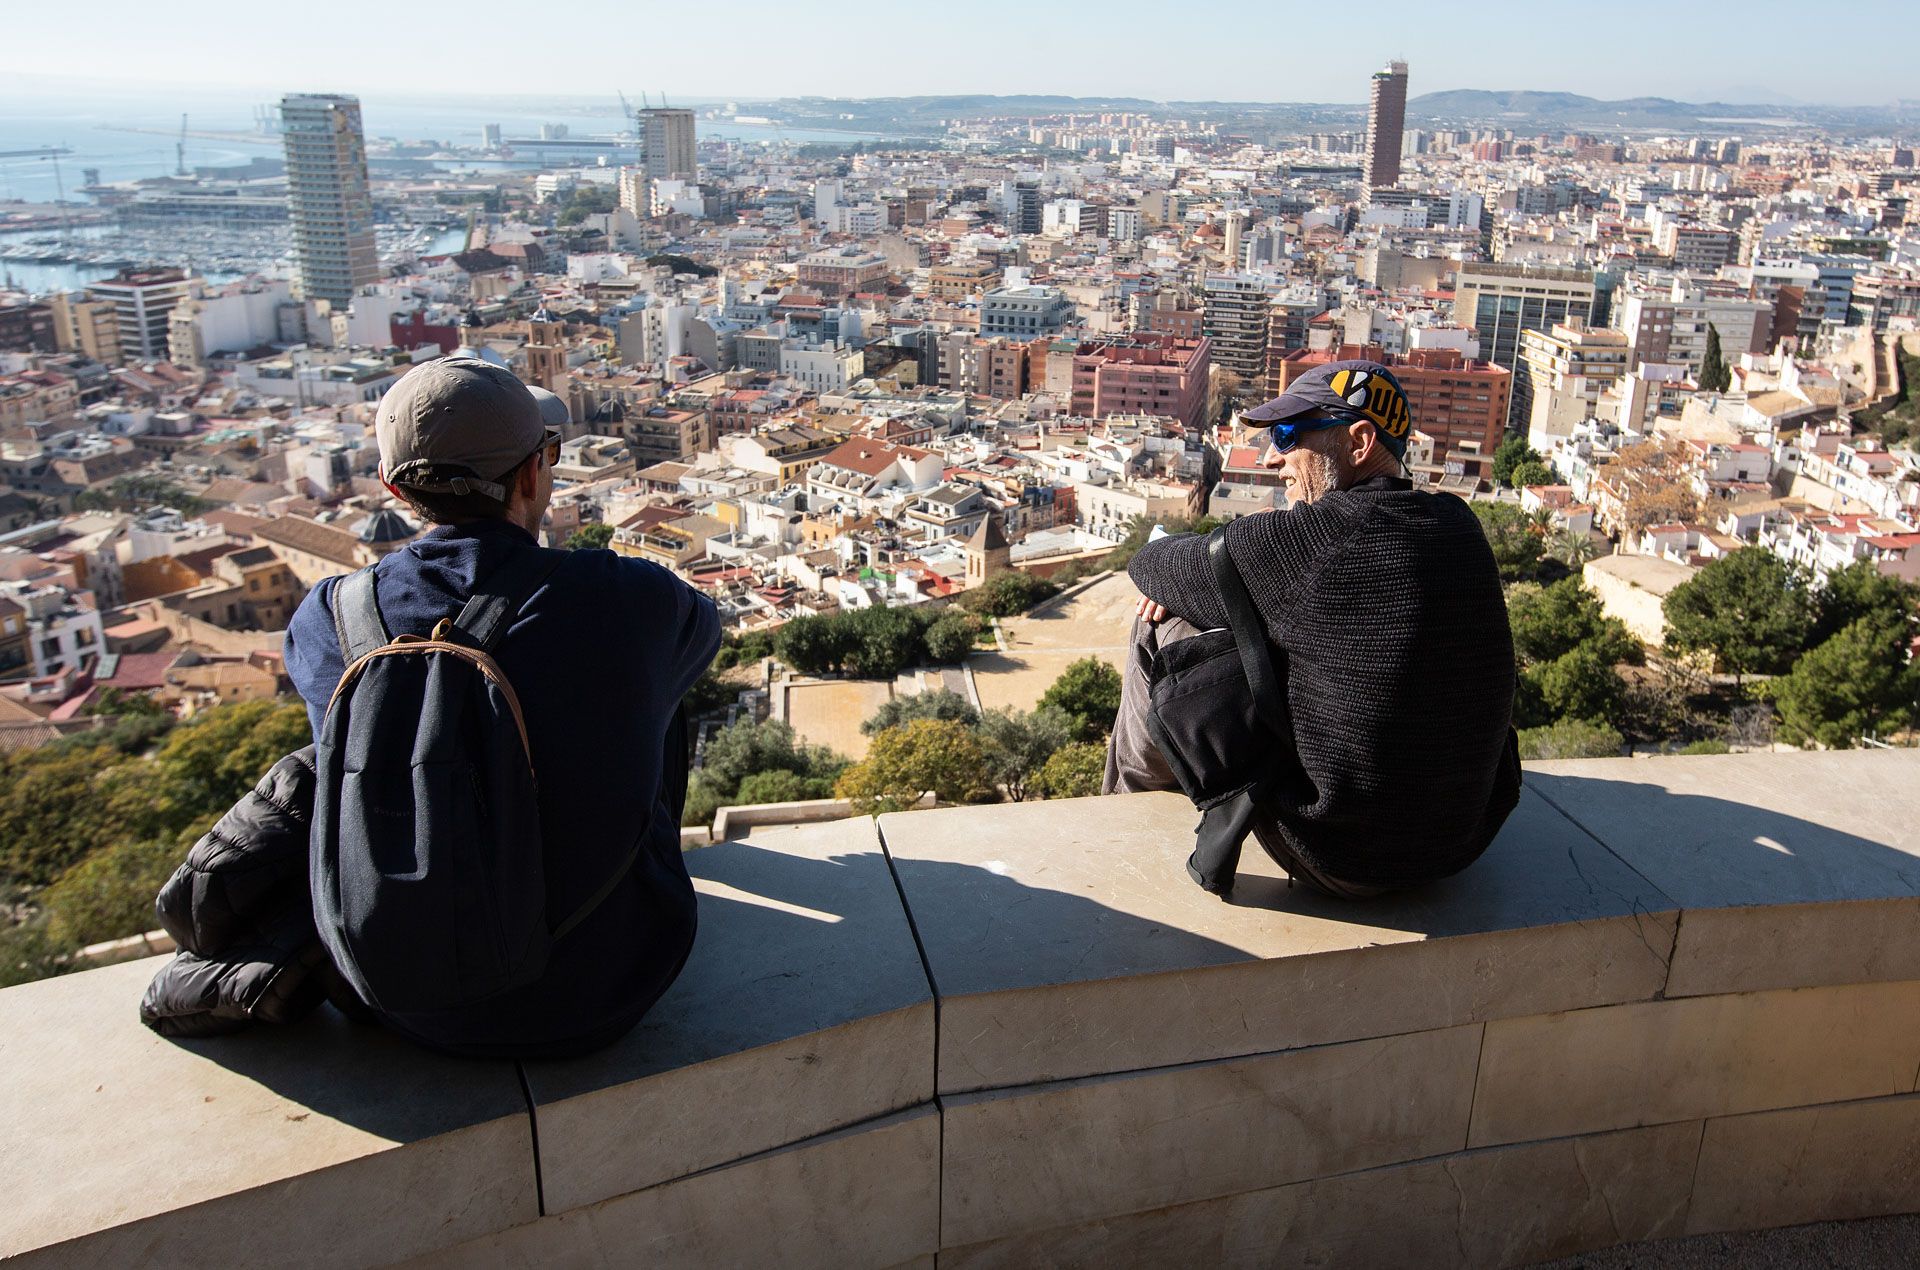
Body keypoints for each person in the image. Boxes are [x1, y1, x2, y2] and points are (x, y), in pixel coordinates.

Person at [284, 355, 720, 1056]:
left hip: (398, 994)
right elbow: (704, 635)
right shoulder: (623, 597)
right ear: (531, 475)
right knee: (653, 682)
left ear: (395, 488)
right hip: (599, 987)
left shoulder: (325, 618)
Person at [1106, 360, 1518, 897]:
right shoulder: (1460, 525)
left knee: (1163, 620)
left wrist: (1201, 594)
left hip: (1343, 856)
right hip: (1461, 844)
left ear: (1360, 441)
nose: (1275, 457)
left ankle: (1122, 814)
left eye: (1287, 435)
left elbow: (1151, 565)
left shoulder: (1314, 539)